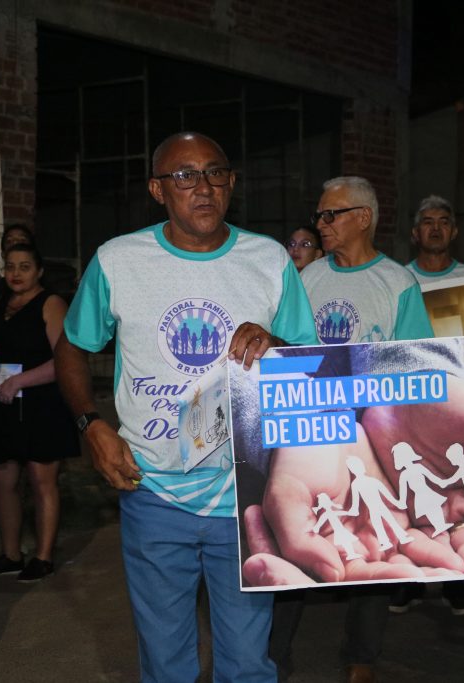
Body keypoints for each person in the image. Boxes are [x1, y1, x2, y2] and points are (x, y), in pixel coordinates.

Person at [54, 131, 316, 683]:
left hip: (246, 489)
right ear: (157, 189)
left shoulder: (268, 260)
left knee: (247, 662)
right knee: (165, 660)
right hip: (151, 487)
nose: (202, 187)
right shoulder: (118, 260)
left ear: (232, 183)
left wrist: (275, 344)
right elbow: (72, 347)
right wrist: (91, 425)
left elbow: (309, 359)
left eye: (214, 173)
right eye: (184, 176)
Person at [270, 176, 435, 683]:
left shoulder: (398, 282)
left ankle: (361, 655)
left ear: (363, 217)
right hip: (308, 428)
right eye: (319, 216)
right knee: (295, 536)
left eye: (330, 215)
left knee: (373, 538)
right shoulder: (306, 278)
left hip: (370, 431)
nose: (320, 225)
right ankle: (273, 656)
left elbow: (416, 365)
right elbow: (283, 348)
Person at [0, 243, 79, 583]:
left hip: (42, 402)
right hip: (4, 401)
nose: (16, 273)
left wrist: (19, 380)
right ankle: (11, 555)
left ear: (39, 271)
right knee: (1, 479)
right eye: (10, 266)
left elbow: (64, 361)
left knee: (41, 479)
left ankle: (43, 557)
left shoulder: (51, 303)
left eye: (25, 266)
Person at [405, 194, 464, 284]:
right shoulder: (402, 277)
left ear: (454, 232)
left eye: (444, 223)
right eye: (428, 222)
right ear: (416, 233)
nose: (436, 227)